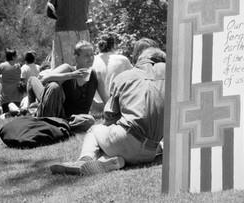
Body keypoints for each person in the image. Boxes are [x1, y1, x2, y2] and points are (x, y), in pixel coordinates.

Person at [50, 47, 166, 175]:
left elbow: (110, 117)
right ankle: (111, 161)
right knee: (114, 143)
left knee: (95, 131)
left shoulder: (124, 77)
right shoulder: (171, 77)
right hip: (151, 151)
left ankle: (84, 160)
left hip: (126, 138)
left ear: (140, 59)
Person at [27, 40, 99, 119]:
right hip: (55, 108)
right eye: (86, 55)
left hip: (72, 118)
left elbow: (105, 97)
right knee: (40, 82)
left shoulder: (93, 75)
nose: (91, 58)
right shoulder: (68, 68)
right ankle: (32, 112)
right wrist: (71, 75)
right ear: (76, 58)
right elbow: (44, 79)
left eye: (92, 54)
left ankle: (35, 109)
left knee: (88, 121)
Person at [47, 0, 90, 69]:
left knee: (62, 68)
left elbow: (49, 11)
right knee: (83, 68)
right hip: (83, 33)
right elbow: (85, 13)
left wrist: (61, 16)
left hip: (63, 31)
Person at [92, 34, 132, 107]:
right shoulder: (122, 59)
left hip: (95, 104)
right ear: (114, 45)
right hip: (117, 104)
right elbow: (134, 78)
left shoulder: (92, 60)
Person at [0, 49, 22, 114]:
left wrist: (0, 78)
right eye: (16, 55)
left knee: (6, 114)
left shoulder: (2, 65)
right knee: (16, 113)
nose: (17, 56)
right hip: (17, 94)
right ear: (13, 57)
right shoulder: (18, 66)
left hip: (6, 95)